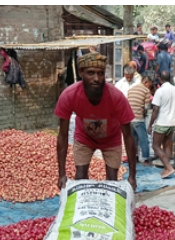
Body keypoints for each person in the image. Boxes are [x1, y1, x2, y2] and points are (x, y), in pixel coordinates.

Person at [55, 52, 137, 191]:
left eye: (100, 73)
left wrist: (132, 175)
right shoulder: (69, 95)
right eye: (90, 73)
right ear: (81, 73)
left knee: (112, 181)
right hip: (84, 137)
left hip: (111, 139)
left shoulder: (116, 97)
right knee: (80, 176)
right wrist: (61, 174)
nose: (96, 79)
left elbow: (128, 136)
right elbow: (62, 136)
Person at [148, 70, 175, 179]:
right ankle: (166, 168)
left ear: (160, 79)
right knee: (167, 145)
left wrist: (150, 124)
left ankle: (168, 167)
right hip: (172, 123)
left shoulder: (160, 91)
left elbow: (155, 109)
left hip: (162, 122)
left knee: (155, 145)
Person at [127, 76, 153, 163]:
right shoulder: (146, 91)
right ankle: (146, 158)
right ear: (146, 82)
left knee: (133, 139)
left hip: (129, 118)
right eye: (149, 85)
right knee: (143, 139)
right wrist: (144, 115)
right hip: (138, 118)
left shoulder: (131, 89)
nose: (149, 87)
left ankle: (134, 157)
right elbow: (146, 107)